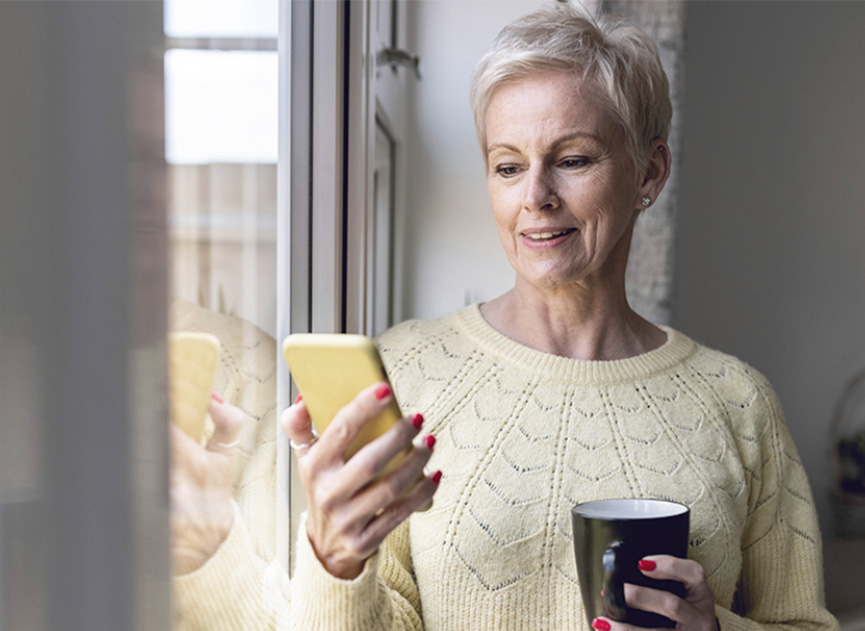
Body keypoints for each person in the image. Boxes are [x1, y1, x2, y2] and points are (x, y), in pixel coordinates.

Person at [281, 3, 839, 631]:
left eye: (573, 160)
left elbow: (804, 623)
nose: (535, 196)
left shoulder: (739, 403)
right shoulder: (404, 373)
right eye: (508, 167)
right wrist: (333, 561)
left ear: (649, 173)